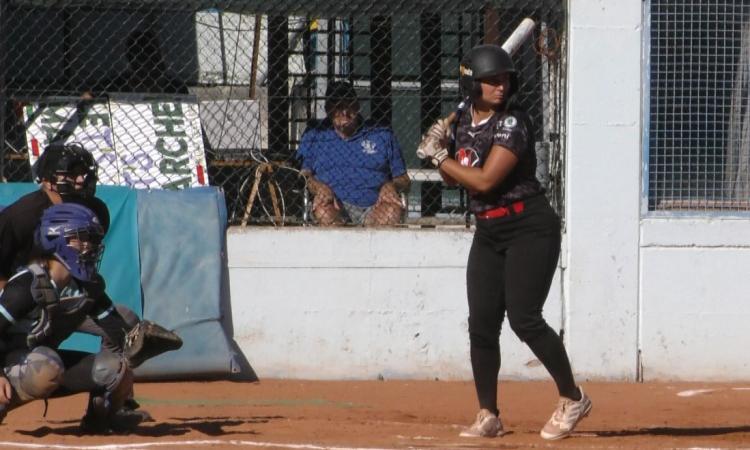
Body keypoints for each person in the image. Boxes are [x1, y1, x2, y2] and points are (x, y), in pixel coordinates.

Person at [417, 44, 592, 440]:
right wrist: (442, 150)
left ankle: (573, 397)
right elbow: (457, 177)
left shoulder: (513, 122)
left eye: (505, 79)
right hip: (488, 229)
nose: (501, 86)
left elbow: (485, 181)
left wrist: (437, 159)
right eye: (491, 80)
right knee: (481, 323)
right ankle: (488, 414)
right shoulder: (462, 119)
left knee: (524, 318)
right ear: (471, 85)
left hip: (529, 225)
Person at [0, 203, 137, 433]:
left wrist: (143, 343)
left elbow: (119, 331)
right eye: (80, 239)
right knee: (46, 367)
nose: (89, 247)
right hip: (10, 363)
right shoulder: (27, 285)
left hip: (43, 360)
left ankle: (98, 421)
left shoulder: (86, 286)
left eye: (91, 240)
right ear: (57, 240)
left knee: (116, 368)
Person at [296, 81, 410, 226]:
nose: (344, 111)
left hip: (375, 205)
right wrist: (319, 188)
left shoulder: (381, 133)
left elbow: (404, 179)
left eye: (349, 104)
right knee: (323, 212)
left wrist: (391, 185)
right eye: (338, 106)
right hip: (333, 204)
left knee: (392, 212)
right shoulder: (316, 134)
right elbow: (303, 175)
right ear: (328, 109)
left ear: (357, 106)